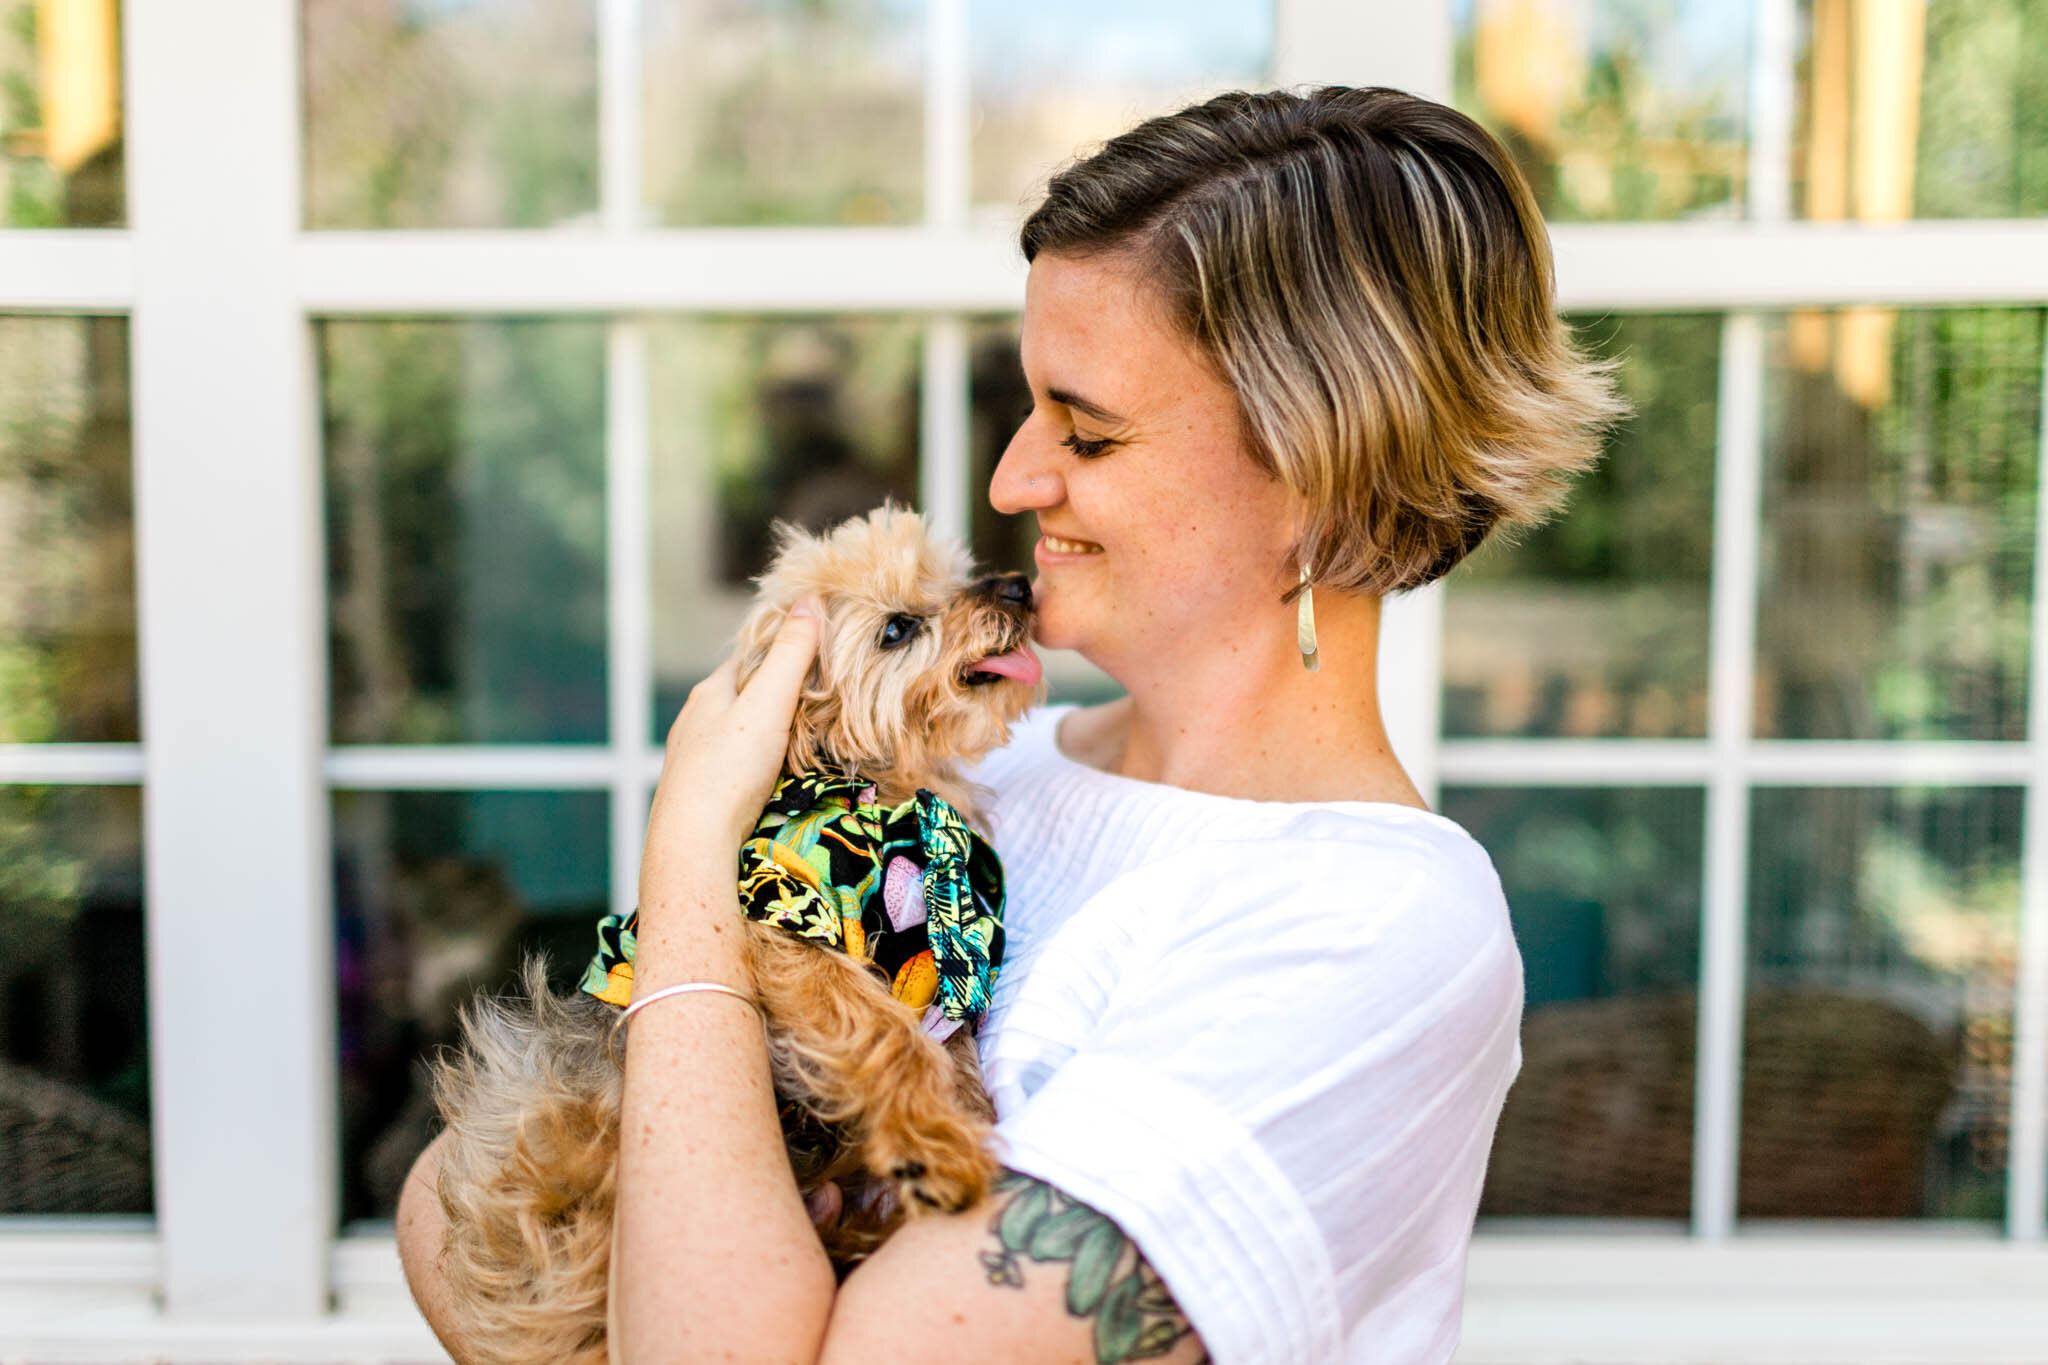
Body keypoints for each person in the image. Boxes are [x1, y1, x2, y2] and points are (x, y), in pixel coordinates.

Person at [396, 83, 1628, 1364]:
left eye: (1084, 434)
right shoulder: (978, 774)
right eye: (1027, 408)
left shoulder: (1365, 931)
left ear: (1317, 482)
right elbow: (453, 1202)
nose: (1009, 479)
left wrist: (688, 848)